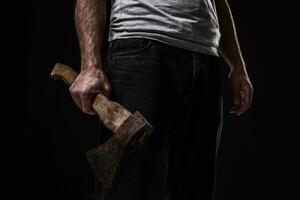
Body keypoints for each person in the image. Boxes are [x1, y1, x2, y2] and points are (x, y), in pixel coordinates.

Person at [70, 0, 253, 199]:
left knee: (195, 190)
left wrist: (237, 65)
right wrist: (90, 65)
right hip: (142, 49)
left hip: (205, 59)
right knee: (127, 187)